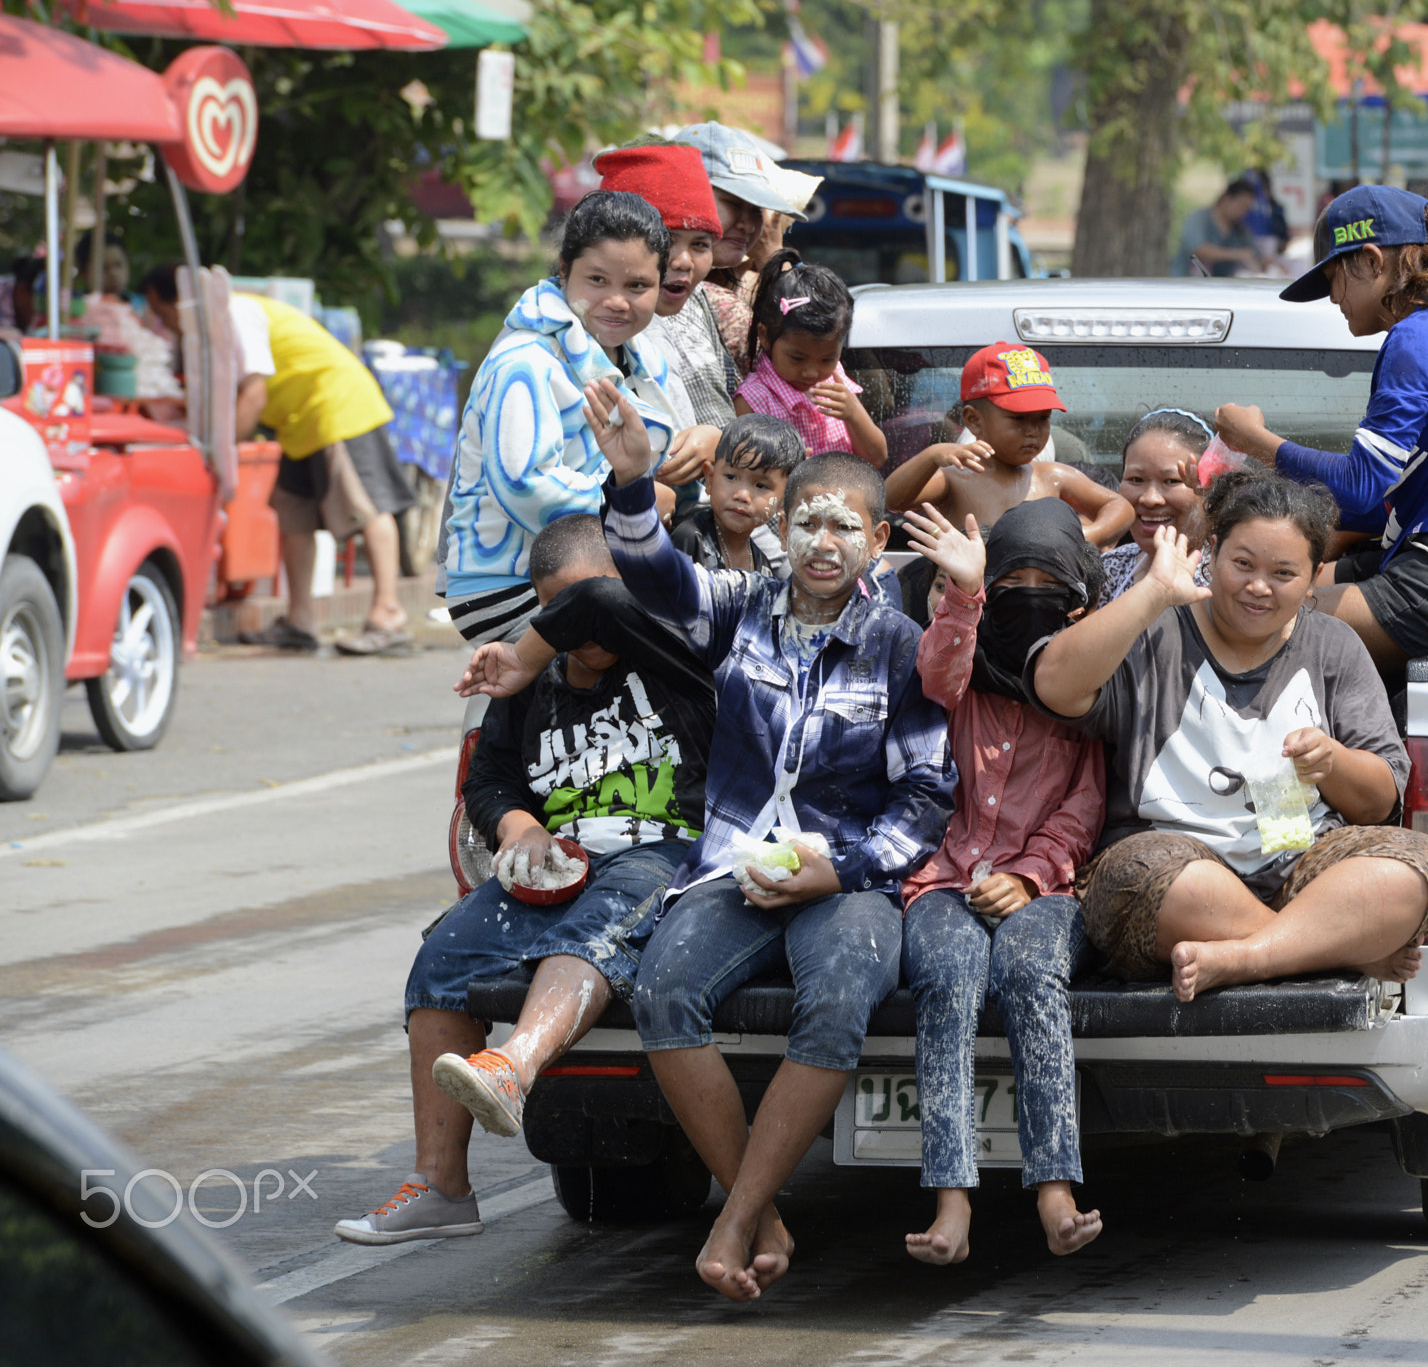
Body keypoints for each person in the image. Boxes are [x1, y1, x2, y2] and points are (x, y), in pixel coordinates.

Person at [484, 385, 949, 1298]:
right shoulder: (738, 609)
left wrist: (840, 870)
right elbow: (657, 580)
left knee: (842, 994)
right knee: (662, 992)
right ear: (782, 526)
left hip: (846, 880)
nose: (823, 543)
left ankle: (733, 1222)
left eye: (845, 529)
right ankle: (758, 1207)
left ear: (877, 544)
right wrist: (629, 477)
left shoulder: (901, 644)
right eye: (808, 523)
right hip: (730, 864)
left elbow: (926, 793)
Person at [338, 515, 712, 1244]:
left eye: (579, 610)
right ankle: (440, 1186)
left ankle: (513, 1068)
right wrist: (518, 827)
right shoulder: (530, 683)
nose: (575, 631)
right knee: (442, 961)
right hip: (553, 863)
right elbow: (490, 782)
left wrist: (529, 640)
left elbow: (602, 601)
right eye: (553, 615)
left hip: (664, 856)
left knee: (589, 934)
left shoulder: (675, 653)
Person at [1029, 470, 1428, 1002]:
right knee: (1147, 878)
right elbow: (1053, 686)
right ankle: (1325, 946)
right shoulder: (1157, 629)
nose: (1258, 587)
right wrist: (1154, 592)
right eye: (1242, 564)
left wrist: (1333, 763)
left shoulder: (1334, 645)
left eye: (1283, 573)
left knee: (1418, 868)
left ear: (1314, 575)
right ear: (1212, 552)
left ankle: (1247, 959)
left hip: (1304, 865)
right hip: (1180, 871)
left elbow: (1380, 799)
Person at [1211, 186, 1428, 676]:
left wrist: (1258, 443)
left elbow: (1363, 487)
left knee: (1248, 616)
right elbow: (1378, 501)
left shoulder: (1418, 335)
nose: (1334, 299)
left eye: (1333, 280)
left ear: (1370, 261)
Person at [895, 498, 1108, 1265]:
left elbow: (1084, 811)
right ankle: (951, 1195)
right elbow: (938, 664)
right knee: (947, 976)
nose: (1026, 595)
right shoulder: (964, 678)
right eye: (1009, 581)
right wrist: (967, 593)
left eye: (1041, 583)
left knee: (1028, 969)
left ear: (1077, 600)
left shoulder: (1080, 691)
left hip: (1046, 891)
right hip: (942, 881)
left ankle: (1054, 1185)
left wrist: (1027, 875)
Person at [437, 190, 680, 646]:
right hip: (507, 586)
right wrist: (633, 507)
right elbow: (525, 485)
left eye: (636, 286)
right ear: (565, 272)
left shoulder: (642, 360)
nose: (617, 302)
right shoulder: (525, 362)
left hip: (596, 560)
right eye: (597, 280)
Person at [140, 266, 417, 656]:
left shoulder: (236, 314)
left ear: (179, 301)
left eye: (159, 309)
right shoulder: (210, 334)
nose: (161, 320)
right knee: (294, 517)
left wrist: (219, 454)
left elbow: (252, 396)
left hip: (335, 403)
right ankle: (300, 621)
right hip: (297, 420)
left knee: (367, 507)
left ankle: (388, 615)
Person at [884, 344, 1134, 547]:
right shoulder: (956, 478)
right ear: (973, 420)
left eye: (1043, 419)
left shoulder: (1051, 476)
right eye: (1019, 418)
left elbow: (1120, 506)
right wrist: (931, 456)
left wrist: (1085, 536)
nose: (1033, 431)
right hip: (972, 605)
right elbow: (890, 499)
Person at [592, 143, 727, 495]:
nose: (683, 261)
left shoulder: (694, 309)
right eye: (666, 239)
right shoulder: (552, 337)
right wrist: (640, 499)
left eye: (701, 244)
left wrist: (717, 441)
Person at [654, 123, 814, 413]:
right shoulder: (656, 297)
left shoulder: (703, 297)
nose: (748, 223)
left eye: (755, 209)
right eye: (732, 203)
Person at [733, 249, 889, 466]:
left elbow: (877, 457)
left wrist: (854, 413)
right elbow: (750, 474)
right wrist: (789, 467)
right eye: (797, 358)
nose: (812, 372)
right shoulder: (753, 400)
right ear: (765, 336)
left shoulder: (836, 380)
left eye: (827, 359)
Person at [669, 412, 804, 573]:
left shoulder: (762, 564)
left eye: (761, 485)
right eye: (731, 477)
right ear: (710, 479)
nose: (742, 495)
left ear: (784, 503)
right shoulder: (690, 539)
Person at [1102, 408, 1211, 601]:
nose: (1150, 499)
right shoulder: (1109, 570)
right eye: (1136, 479)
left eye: (1171, 481)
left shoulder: (1229, 579)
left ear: (1209, 487)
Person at [1172, 178, 1269, 277]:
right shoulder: (1200, 218)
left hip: (1218, 287)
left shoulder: (1239, 229)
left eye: (1247, 209)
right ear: (1227, 198)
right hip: (1186, 284)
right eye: (1241, 206)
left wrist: (1271, 263)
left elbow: (1255, 254)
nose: (1243, 212)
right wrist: (1237, 254)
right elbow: (1198, 249)